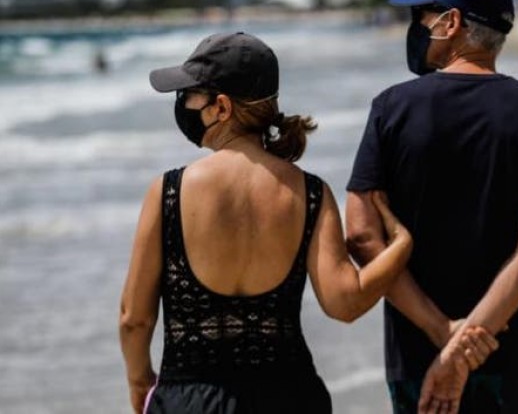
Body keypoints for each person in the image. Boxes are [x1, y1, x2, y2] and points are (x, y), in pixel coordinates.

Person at [119, 32, 494, 413]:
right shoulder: (309, 193)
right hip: (290, 396)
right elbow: (344, 302)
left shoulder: (168, 191)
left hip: (191, 399)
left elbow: (134, 319)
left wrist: (140, 381)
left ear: (221, 107)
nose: (184, 104)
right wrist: (400, 246)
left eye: (190, 95)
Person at [345, 0, 518, 413]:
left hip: (417, 341)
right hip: (512, 339)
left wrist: (443, 336)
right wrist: (473, 340)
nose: (415, 29)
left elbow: (361, 235)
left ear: (450, 23)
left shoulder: (392, 109)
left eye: (421, 16)